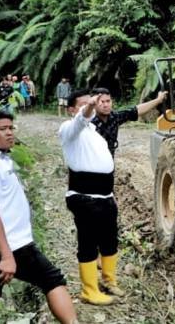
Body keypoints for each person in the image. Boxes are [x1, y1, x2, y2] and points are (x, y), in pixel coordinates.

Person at [0, 110, 77, 324]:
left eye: (11, 128)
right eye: (3, 129)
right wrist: (7, 257)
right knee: (51, 279)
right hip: (6, 247)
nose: (9, 133)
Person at [58, 90, 121, 306]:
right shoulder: (69, 129)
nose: (91, 107)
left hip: (105, 195)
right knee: (88, 243)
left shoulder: (94, 132)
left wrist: (111, 195)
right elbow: (80, 120)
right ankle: (89, 290)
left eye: (91, 103)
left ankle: (109, 280)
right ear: (72, 110)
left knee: (110, 240)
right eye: (85, 104)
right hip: (85, 197)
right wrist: (90, 106)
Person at [91, 88, 167, 156]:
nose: (106, 105)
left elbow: (137, 110)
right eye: (102, 102)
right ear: (94, 103)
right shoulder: (87, 123)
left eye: (108, 101)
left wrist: (158, 100)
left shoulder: (114, 117)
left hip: (109, 165)